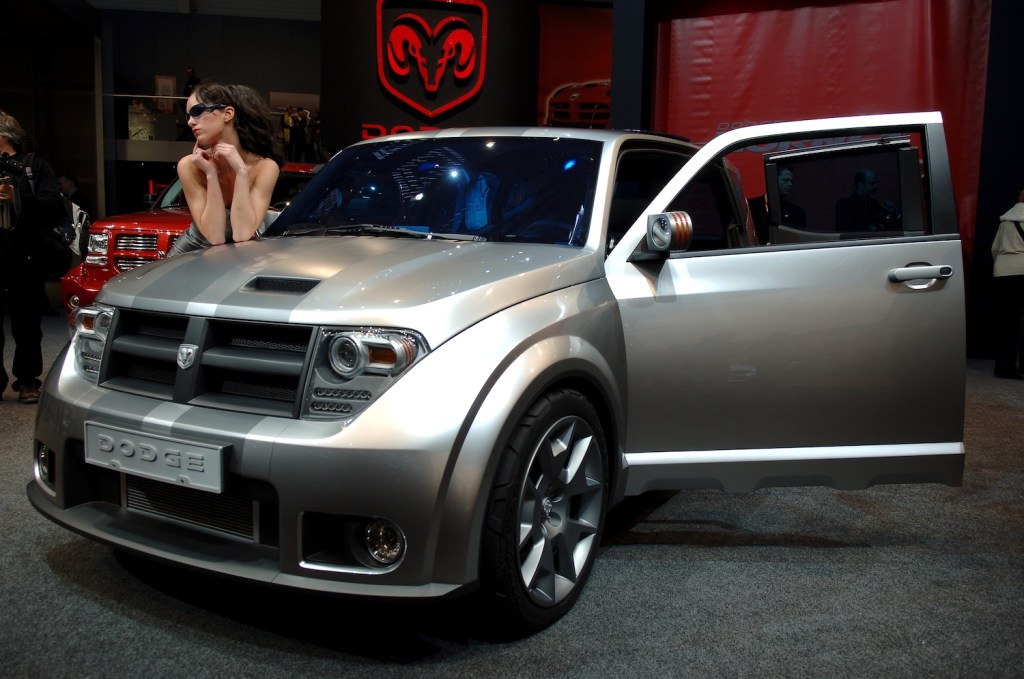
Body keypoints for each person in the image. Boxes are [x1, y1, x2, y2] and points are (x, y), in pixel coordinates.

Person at [169, 81, 284, 255]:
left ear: (228, 114)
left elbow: (242, 233)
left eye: (197, 111)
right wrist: (211, 174)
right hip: (191, 254)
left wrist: (241, 171)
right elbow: (215, 237)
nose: (190, 122)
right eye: (188, 116)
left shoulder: (265, 167)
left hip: (235, 258)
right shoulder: (190, 166)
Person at [0, 110, 64, 403]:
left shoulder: (33, 166)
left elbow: (53, 205)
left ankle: (28, 381)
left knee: (26, 322)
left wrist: (18, 196)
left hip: (24, 253)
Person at [991, 188, 1024, 379]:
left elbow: (995, 248)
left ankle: (1004, 367)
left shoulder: (1005, 220)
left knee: (1005, 322)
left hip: (1003, 273)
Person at [748, 165, 806, 244]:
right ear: (773, 180)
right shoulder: (750, 206)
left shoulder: (797, 212)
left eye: (791, 181)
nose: (790, 184)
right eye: (786, 180)